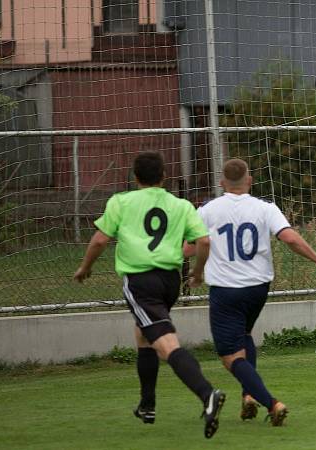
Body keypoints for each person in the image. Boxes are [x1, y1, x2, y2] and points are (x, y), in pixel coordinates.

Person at [73, 151, 226, 439]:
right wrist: (197, 272)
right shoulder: (180, 204)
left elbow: (100, 238)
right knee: (144, 335)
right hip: (170, 279)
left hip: (141, 280)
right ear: (164, 177)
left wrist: (85, 268)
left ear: (135, 178)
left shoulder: (121, 201)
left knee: (166, 344)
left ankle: (207, 394)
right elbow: (203, 240)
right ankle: (148, 405)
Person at [184, 158, 316, 427]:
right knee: (244, 335)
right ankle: (248, 395)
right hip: (257, 288)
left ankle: (272, 403)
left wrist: (182, 266)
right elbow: (288, 237)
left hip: (226, 290)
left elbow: (190, 247)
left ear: (222, 183)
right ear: (249, 180)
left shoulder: (207, 210)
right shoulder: (266, 208)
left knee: (230, 358)